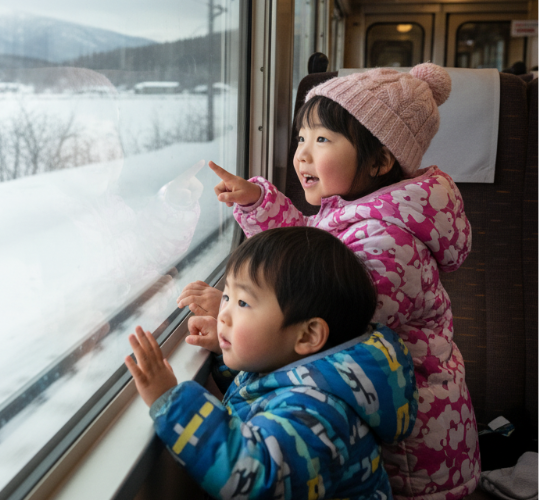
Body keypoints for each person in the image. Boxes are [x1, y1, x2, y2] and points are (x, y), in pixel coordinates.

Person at [177, 63, 479, 499]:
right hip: (375, 414)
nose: (301, 153)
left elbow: (326, 317)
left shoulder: (388, 243)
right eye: (301, 138)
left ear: (379, 159)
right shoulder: (362, 211)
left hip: (412, 457)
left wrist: (233, 312)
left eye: (322, 139)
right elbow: (309, 255)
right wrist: (258, 203)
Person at [126, 226, 417, 500]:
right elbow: (264, 390)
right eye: (227, 295)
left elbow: (255, 478)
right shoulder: (306, 368)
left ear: (308, 335)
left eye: (243, 304)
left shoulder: (319, 414)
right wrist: (226, 352)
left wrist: (172, 402)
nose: (223, 314)